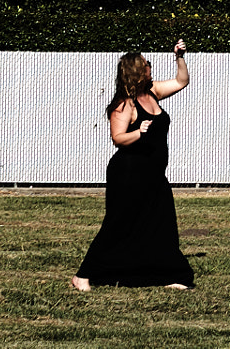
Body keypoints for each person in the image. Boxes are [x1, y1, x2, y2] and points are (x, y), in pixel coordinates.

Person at [72, 39, 195, 290]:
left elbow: (182, 81)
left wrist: (180, 57)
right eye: (147, 64)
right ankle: (83, 275)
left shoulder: (152, 92)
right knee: (119, 222)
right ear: (138, 70)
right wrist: (139, 132)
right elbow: (118, 138)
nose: (151, 67)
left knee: (161, 222)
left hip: (153, 173)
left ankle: (169, 275)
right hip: (129, 173)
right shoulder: (124, 104)